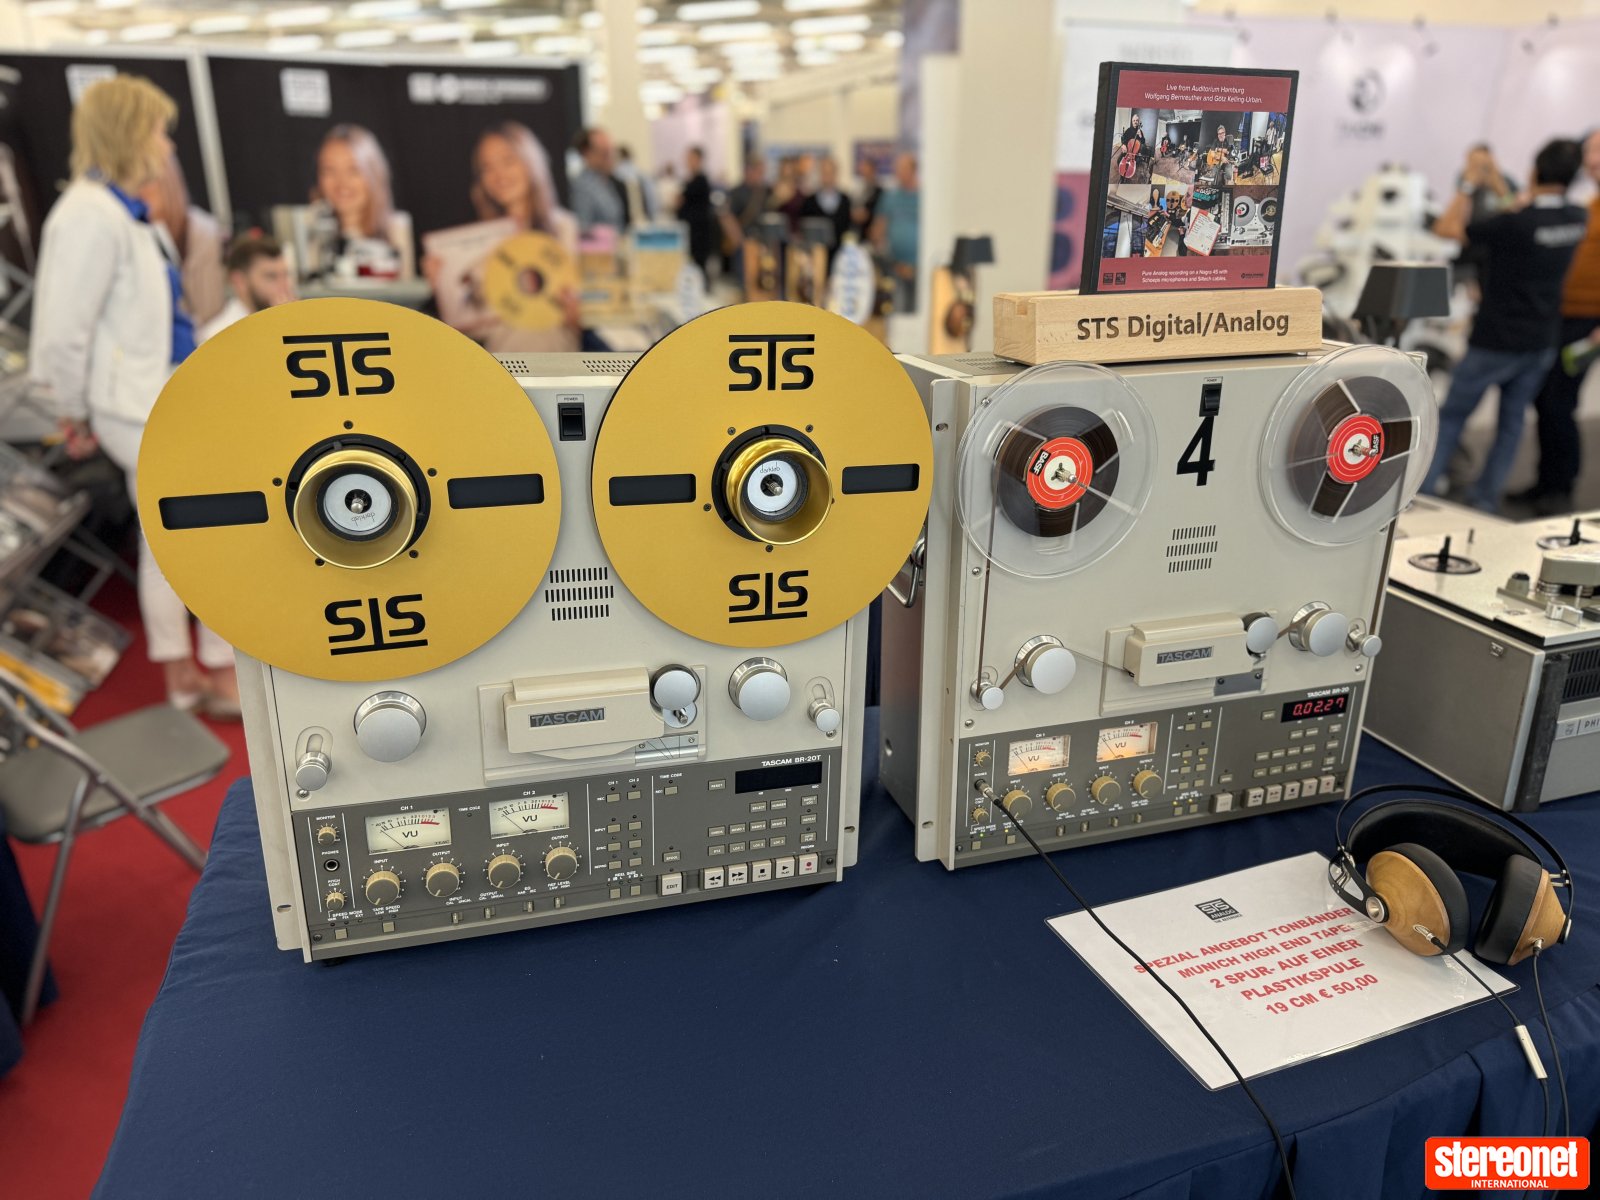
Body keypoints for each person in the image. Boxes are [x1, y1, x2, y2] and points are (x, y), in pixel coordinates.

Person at [30, 75, 237, 716]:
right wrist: (70, 411)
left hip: (156, 398)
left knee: (167, 537)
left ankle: (187, 676)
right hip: (134, 407)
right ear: (127, 132)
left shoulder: (120, 211)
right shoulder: (88, 215)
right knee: (203, 534)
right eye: (157, 130)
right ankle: (214, 672)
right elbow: (63, 329)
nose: (166, 144)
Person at [1423, 138, 1587, 513]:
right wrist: (1494, 175)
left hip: (1494, 342)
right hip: (1541, 342)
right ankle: (1484, 501)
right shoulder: (1577, 218)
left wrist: (1468, 182)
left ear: (1534, 171)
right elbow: (1523, 204)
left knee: (1451, 417)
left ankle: (1424, 497)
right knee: (1512, 426)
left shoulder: (1513, 224)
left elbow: (1448, 228)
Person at [430, 121, 580, 353]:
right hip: (500, 365)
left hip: (558, 363)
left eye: (508, 161)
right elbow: (472, 326)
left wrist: (579, 313)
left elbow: (585, 315)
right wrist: (444, 286)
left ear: (530, 162)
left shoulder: (564, 227)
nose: (498, 174)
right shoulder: (476, 242)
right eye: (486, 167)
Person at [1518, 130, 1600, 515]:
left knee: (1558, 402)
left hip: (1587, 322)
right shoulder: (1589, 205)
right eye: (1590, 151)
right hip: (1563, 317)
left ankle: (1561, 487)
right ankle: (1546, 482)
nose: (1593, 159)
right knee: (1545, 398)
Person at [314, 124, 413, 279]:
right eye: (329, 170)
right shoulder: (311, 235)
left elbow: (406, 288)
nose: (342, 183)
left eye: (353, 170)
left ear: (373, 173)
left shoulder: (395, 229)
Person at [141, 151, 226, 328]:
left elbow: (209, 314)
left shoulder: (202, 233)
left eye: (146, 182)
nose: (138, 192)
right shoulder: (138, 234)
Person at [199, 233, 295, 342]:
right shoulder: (217, 337)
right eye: (271, 276)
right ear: (239, 281)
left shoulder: (292, 324)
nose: (285, 285)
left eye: (286, 275)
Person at [1454, 143, 1519, 290]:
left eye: (1482, 164)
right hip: (1471, 244)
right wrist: (1468, 185)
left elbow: (1514, 214)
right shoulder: (1465, 183)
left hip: (1497, 248)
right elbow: (1457, 223)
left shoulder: (1506, 182)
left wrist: (1497, 183)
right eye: (1472, 163)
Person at [873, 151, 920, 309]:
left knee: (917, 308)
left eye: (902, 169)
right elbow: (879, 228)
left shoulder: (925, 198)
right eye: (897, 169)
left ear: (913, 170)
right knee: (896, 307)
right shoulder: (890, 197)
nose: (898, 173)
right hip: (894, 265)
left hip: (919, 266)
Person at [571, 126, 626, 235]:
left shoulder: (608, 182)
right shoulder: (582, 188)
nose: (610, 158)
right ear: (586, 153)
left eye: (611, 151)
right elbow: (584, 230)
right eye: (604, 153)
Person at [799, 156, 852, 257]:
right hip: (815, 255)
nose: (827, 176)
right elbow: (804, 229)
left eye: (830, 172)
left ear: (836, 174)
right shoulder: (809, 202)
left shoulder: (845, 200)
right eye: (824, 172)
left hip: (840, 255)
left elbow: (848, 228)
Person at [676, 145, 716, 281]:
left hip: (699, 235)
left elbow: (682, 201)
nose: (687, 161)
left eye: (691, 158)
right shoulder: (690, 180)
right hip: (691, 233)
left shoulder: (701, 181)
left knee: (699, 269)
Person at [615, 143, 656, 223]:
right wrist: (651, 217)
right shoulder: (641, 173)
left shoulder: (616, 174)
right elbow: (651, 198)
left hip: (623, 220)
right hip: (641, 218)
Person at [852, 156, 882, 241]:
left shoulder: (880, 192)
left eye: (867, 170)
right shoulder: (858, 190)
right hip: (859, 233)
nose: (865, 173)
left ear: (873, 171)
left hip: (873, 234)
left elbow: (881, 214)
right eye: (863, 170)